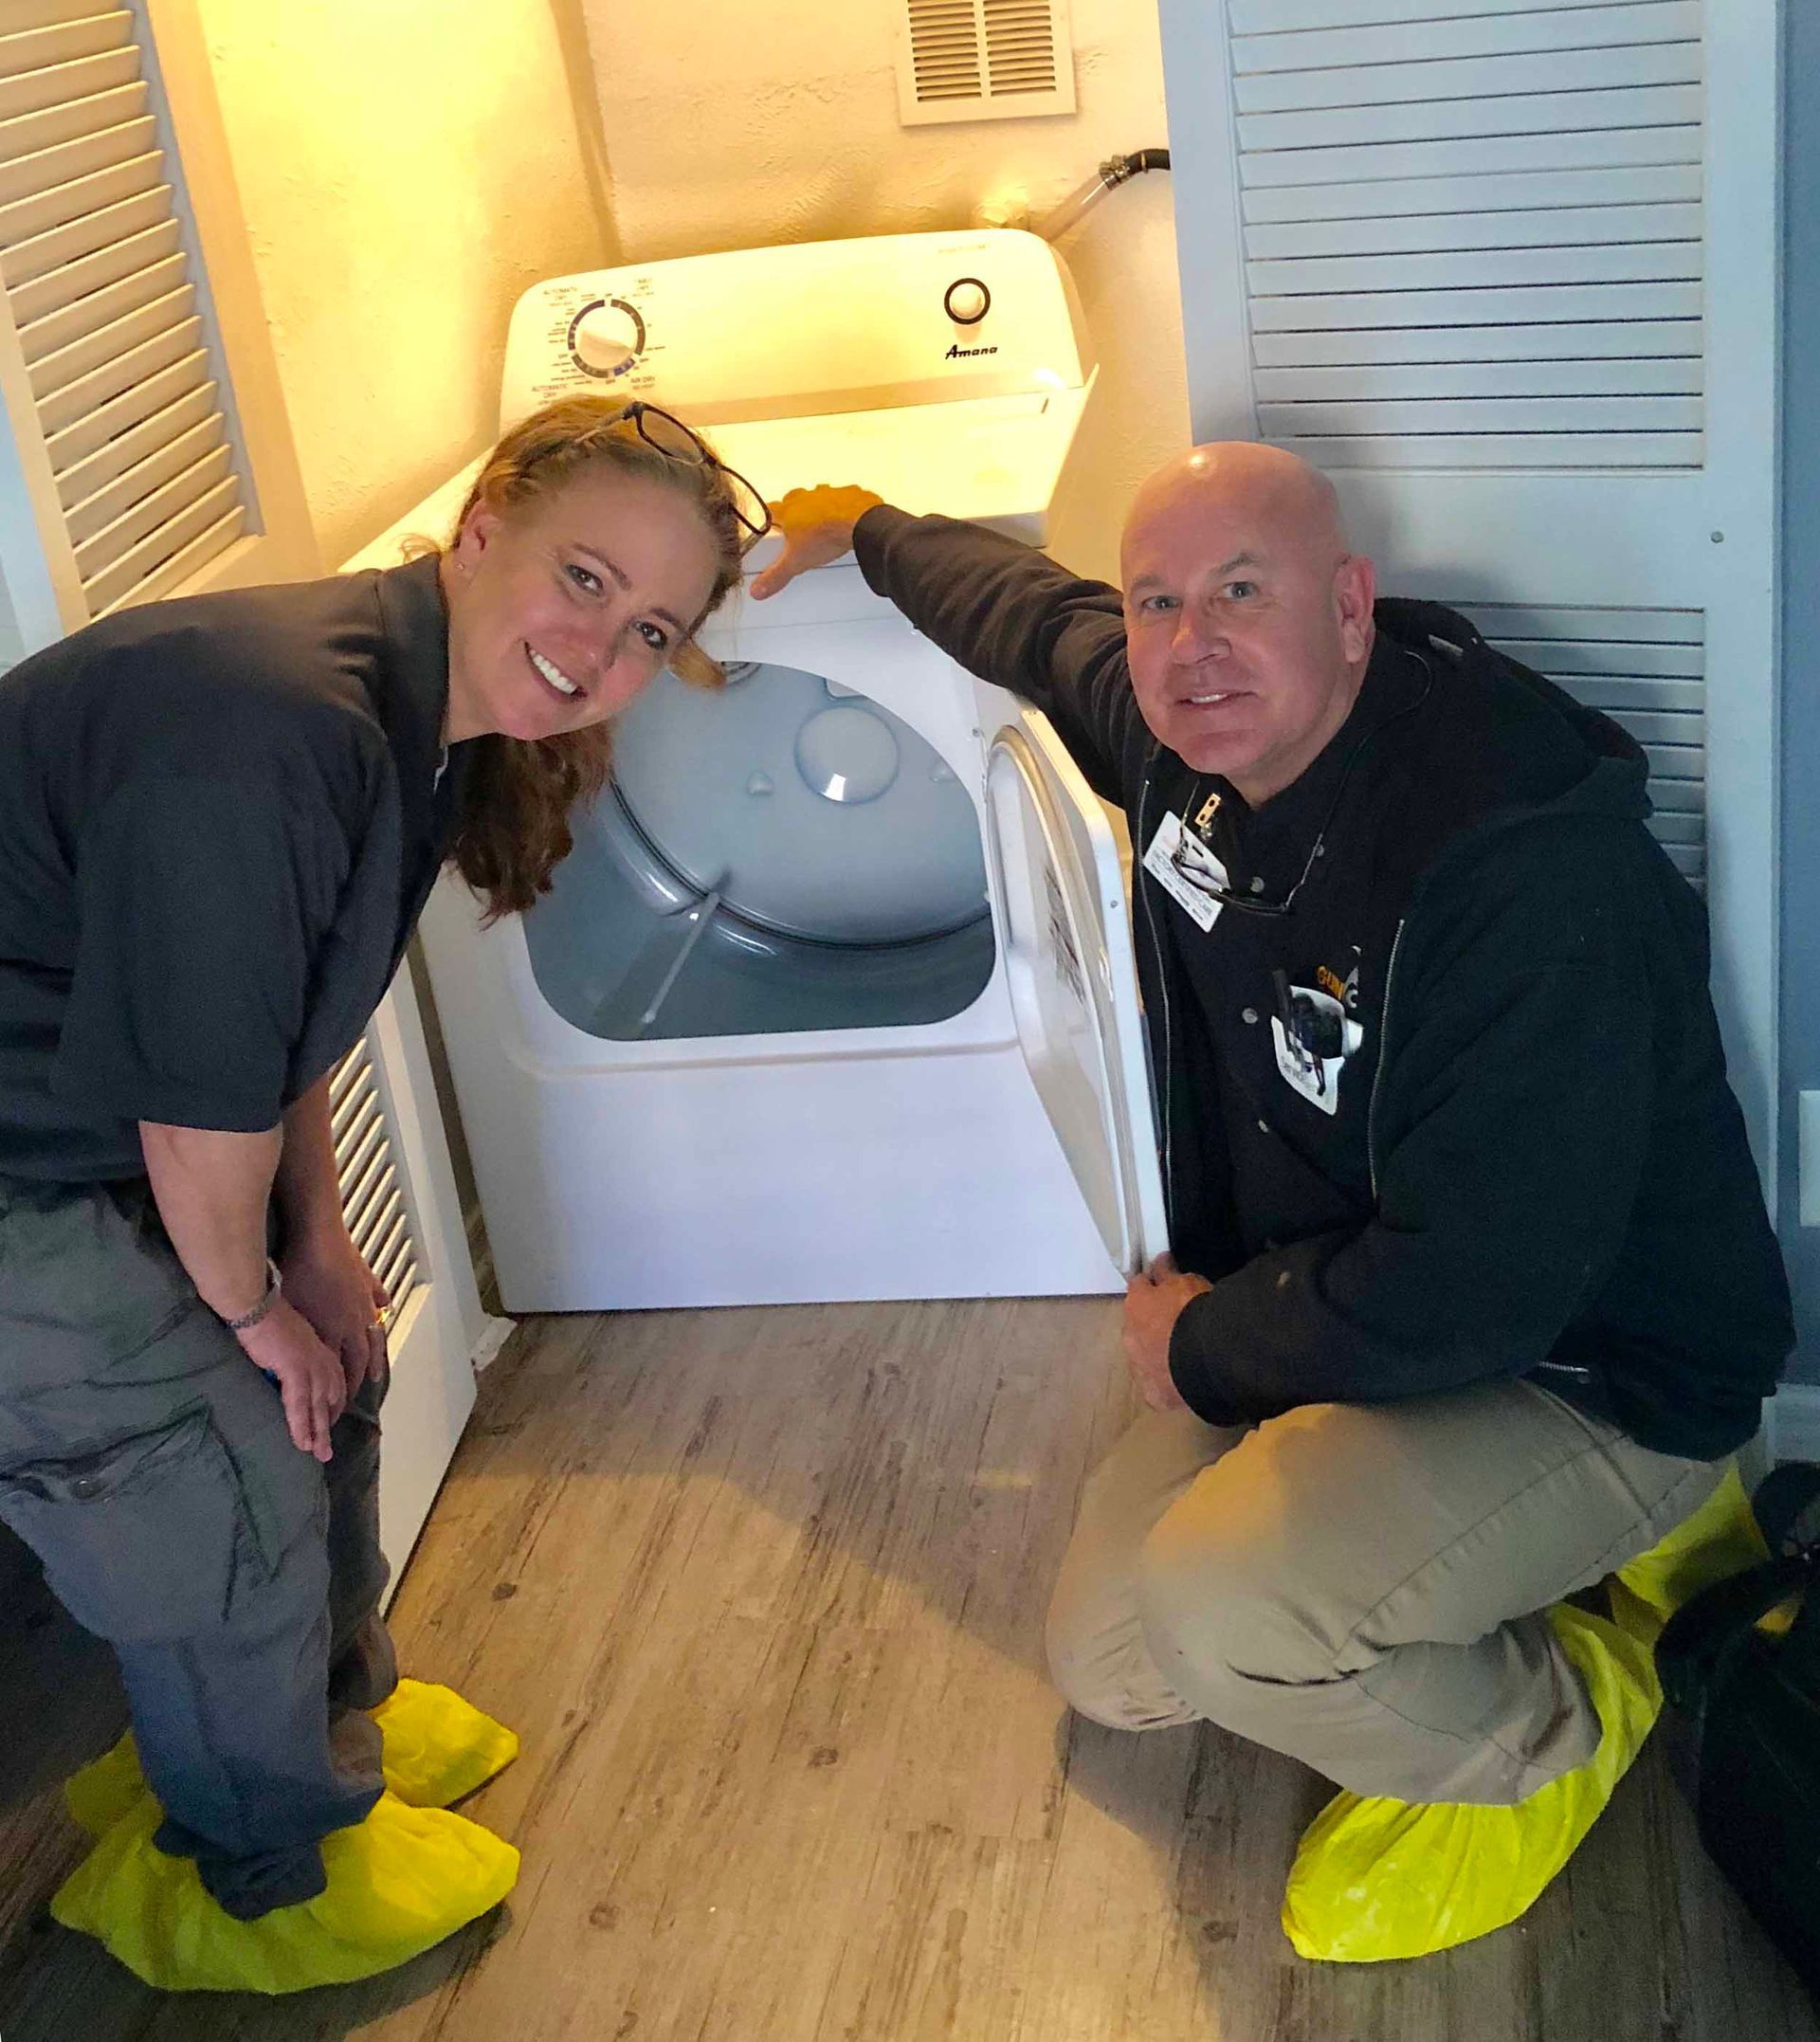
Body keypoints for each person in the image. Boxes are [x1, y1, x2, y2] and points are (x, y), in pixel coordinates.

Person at [750, 446, 1793, 1963]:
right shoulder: (1192, 747)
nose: (1190, 644)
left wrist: (1207, 1351)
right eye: (1159, 600)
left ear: (1353, 608)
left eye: (1243, 591)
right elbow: (1031, 619)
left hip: (1592, 1370)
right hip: (1350, 1307)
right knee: (1116, 1659)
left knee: (1231, 1611)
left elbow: (1477, 1292)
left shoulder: (1514, 869)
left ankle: (1567, 1718)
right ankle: (1454, 1583)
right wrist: (870, 528)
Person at [0, 393, 764, 1994]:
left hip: (96, 1109)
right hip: (30, 1166)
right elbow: (199, 1095)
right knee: (207, 1472)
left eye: (650, 629)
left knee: (332, 1374)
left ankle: (307, 1711)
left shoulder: (420, 728)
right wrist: (245, 1306)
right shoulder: (277, 720)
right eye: (582, 576)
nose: (600, 647)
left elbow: (268, 1014)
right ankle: (249, 1871)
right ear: (482, 524)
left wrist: (318, 1252)